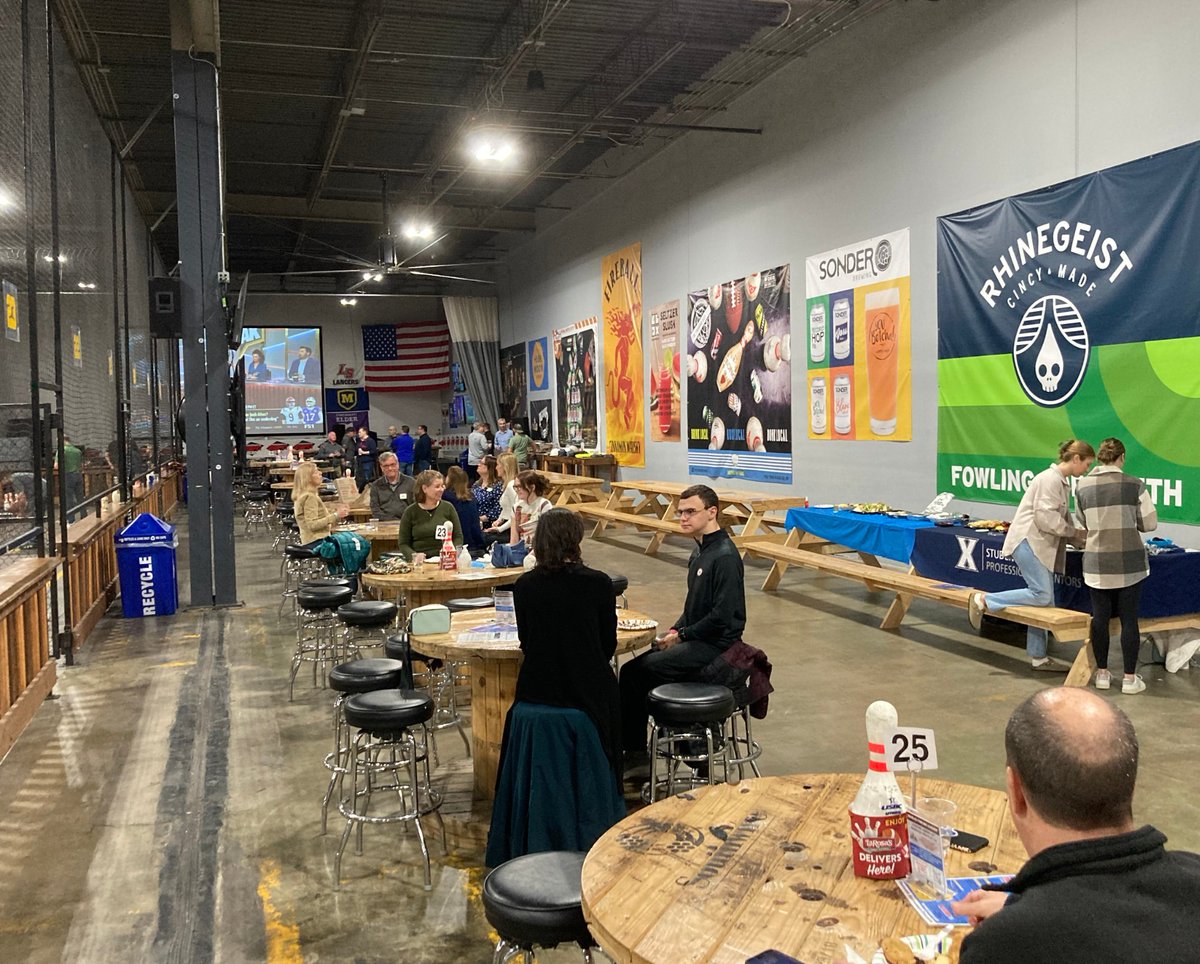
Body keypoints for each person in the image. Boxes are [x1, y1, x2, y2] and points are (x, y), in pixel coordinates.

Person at [949, 688, 1200, 963]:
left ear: (1016, 792)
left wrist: (1028, 917)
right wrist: (1027, 906)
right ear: (1128, 784)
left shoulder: (1006, 946)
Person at [484, 508, 624, 866]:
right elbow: (606, 646)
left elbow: (527, 642)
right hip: (584, 695)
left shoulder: (525, 586)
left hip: (536, 691)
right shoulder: (597, 583)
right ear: (575, 541)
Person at [619, 484, 745, 756]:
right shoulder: (699, 551)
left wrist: (683, 636)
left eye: (691, 511)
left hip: (716, 644)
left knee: (632, 674)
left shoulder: (724, 556)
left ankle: (636, 754)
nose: (683, 518)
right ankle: (667, 734)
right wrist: (675, 630)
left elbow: (722, 616)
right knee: (648, 657)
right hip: (696, 636)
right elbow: (694, 608)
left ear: (712, 512)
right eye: (680, 512)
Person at [967, 439, 1095, 672]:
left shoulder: (1060, 482)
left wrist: (1083, 538)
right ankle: (984, 600)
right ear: (1076, 459)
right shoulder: (1050, 480)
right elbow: (1047, 519)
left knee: (1045, 604)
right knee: (1041, 594)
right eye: (1086, 464)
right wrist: (1076, 532)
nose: (1086, 470)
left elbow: (1062, 521)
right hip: (1028, 542)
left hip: (1038, 545)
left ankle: (1038, 657)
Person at [1073, 437, 1158, 695]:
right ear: (1122, 458)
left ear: (1099, 458)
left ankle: (1102, 674)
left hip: (1097, 562)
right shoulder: (1135, 485)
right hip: (1129, 562)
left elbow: (1081, 521)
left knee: (1099, 619)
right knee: (1129, 620)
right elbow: (1150, 524)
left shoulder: (1082, 486)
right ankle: (1130, 679)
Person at [396, 470, 463, 560]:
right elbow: (403, 543)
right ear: (424, 489)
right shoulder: (410, 511)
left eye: (442, 486)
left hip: (445, 559)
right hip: (421, 561)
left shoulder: (448, 507)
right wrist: (414, 556)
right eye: (437, 487)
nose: (442, 489)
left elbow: (458, 536)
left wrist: (452, 552)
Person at [293, 460, 348, 544]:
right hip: (317, 541)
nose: (320, 473)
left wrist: (334, 511)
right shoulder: (310, 497)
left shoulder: (302, 495)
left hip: (310, 540)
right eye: (316, 472)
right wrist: (336, 515)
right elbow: (312, 524)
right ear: (308, 478)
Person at [442, 465, 487, 554]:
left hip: (454, 545)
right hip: (474, 544)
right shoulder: (472, 497)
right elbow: (475, 525)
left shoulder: (445, 497)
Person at [484, 453, 520, 540]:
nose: (496, 468)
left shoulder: (511, 486)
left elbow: (516, 513)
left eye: (498, 465)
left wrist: (500, 529)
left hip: (510, 529)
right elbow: (506, 509)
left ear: (505, 467)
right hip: (506, 524)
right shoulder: (506, 484)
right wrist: (499, 520)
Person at [369, 452, 415, 520]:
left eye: (392, 464)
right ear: (381, 467)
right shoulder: (376, 486)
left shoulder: (411, 483)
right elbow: (375, 510)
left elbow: (416, 506)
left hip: (407, 523)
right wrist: (389, 521)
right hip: (384, 524)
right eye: (386, 466)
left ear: (398, 464)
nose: (390, 468)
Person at [472, 455, 504, 529]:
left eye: (481, 463)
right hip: (474, 522)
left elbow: (498, 507)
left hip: (489, 525)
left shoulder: (498, 486)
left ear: (490, 468)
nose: (478, 464)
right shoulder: (476, 484)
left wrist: (482, 518)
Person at [57, 435, 85, 519]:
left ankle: (71, 519)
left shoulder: (62, 450)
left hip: (68, 475)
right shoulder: (78, 451)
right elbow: (82, 465)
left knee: (68, 498)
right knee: (80, 497)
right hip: (78, 475)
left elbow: (56, 466)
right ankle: (84, 516)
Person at [354, 426, 378, 490]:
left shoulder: (371, 441)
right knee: (359, 477)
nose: (358, 433)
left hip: (367, 461)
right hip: (359, 462)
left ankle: (367, 491)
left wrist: (364, 452)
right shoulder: (359, 441)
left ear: (365, 432)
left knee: (367, 478)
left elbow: (374, 451)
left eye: (360, 432)